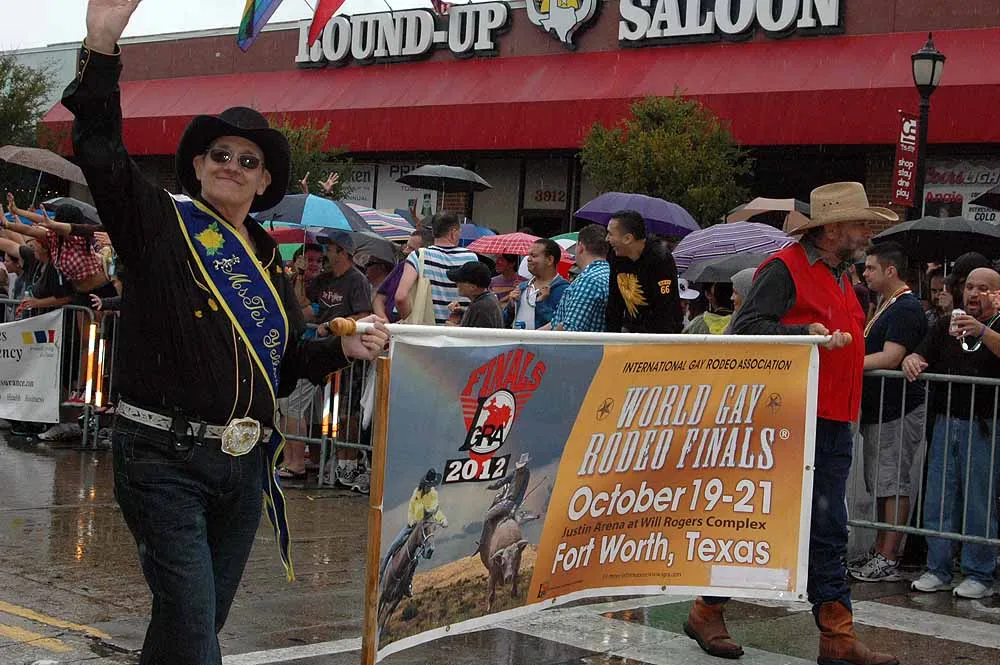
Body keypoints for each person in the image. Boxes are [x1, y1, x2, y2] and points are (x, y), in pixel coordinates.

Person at [62, 4, 389, 663]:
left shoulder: (267, 260)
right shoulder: (159, 223)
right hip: (163, 459)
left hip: (242, 469)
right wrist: (102, 44)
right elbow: (101, 152)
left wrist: (342, 347)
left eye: (248, 159)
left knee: (190, 628)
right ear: (198, 164)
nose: (233, 164)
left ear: (264, 180)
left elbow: (286, 363)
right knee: (192, 628)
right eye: (220, 154)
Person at [686, 182, 898, 665]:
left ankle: (836, 636)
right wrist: (804, 332)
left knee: (826, 527)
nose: (868, 233)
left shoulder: (839, 274)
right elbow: (746, 329)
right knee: (765, 520)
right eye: (861, 224)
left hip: (831, 418)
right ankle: (709, 608)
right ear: (832, 230)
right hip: (792, 419)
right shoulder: (785, 268)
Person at [903, 267, 1000, 600]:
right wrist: (912, 360)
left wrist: (982, 330)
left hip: (985, 425)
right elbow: (919, 353)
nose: (973, 293)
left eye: (983, 288)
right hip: (946, 420)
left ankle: (979, 572)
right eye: (970, 287)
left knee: (978, 501)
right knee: (939, 497)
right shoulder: (946, 324)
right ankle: (938, 568)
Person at [849, 242, 928, 583]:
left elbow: (891, 357)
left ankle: (888, 555)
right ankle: (880, 548)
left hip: (897, 408)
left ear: (890, 270)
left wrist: (849, 364)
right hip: (879, 408)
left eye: (870, 268)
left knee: (892, 482)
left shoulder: (905, 308)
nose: (865, 274)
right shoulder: (886, 304)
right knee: (881, 482)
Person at [308, 230, 373, 489]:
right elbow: (303, 301)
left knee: (347, 409)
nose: (326, 253)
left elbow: (363, 314)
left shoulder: (357, 280)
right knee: (327, 410)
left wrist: (335, 325)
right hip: (322, 351)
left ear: (344, 252)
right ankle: (329, 458)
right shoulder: (324, 279)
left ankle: (349, 462)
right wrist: (301, 274)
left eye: (331, 248)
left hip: (347, 353)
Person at [605, 210, 683, 334]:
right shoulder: (615, 255)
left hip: (660, 333)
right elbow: (614, 303)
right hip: (630, 328)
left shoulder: (659, 259)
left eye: (610, 234)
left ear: (628, 238)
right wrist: (611, 338)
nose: (607, 239)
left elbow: (665, 309)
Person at [396, 212, 477, 325]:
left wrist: (408, 320)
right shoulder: (471, 257)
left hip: (426, 331)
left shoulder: (418, 256)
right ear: (453, 232)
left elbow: (400, 297)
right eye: (459, 231)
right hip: (461, 331)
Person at [379, 468, 449, 595]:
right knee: (393, 546)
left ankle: (407, 584)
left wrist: (442, 519)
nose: (430, 487)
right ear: (425, 483)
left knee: (415, 559)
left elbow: (435, 511)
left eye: (431, 485)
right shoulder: (417, 493)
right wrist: (411, 521)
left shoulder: (434, 495)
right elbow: (411, 509)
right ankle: (381, 574)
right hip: (412, 525)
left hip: (423, 526)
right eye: (428, 484)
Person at [546, 224, 610, 332]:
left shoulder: (589, 280)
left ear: (580, 246)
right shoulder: (609, 274)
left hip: (582, 343)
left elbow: (570, 329)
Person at [506, 238, 569, 330]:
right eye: (528, 255)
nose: (528, 259)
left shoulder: (564, 290)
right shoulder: (522, 287)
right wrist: (511, 307)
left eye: (534, 256)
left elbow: (560, 324)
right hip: (516, 339)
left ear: (550, 260)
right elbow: (505, 321)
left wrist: (542, 303)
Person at [374, 227, 431, 323]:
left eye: (411, 248)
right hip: (387, 325)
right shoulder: (401, 267)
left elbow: (401, 298)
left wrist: (405, 322)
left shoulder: (427, 273)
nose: (405, 251)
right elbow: (379, 299)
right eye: (406, 246)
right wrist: (384, 320)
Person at [446, 261, 504, 328]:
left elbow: (478, 333)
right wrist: (462, 312)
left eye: (460, 281)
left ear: (473, 287)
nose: (457, 284)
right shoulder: (488, 300)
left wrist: (453, 328)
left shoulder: (481, 307)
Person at [485, 452, 531, 524]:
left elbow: (522, 491)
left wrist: (515, 507)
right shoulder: (514, 472)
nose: (520, 469)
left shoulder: (526, 474)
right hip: (507, 500)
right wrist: (493, 486)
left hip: (512, 502)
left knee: (493, 517)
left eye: (522, 467)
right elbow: (503, 481)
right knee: (489, 515)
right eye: (520, 467)